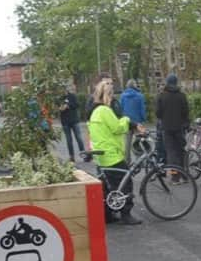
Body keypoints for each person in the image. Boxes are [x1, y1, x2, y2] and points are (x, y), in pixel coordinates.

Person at [88, 79, 144, 225]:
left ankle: (107, 215)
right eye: (111, 96)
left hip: (100, 153)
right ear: (108, 95)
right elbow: (117, 128)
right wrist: (126, 120)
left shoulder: (93, 111)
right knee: (126, 182)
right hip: (111, 153)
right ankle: (126, 214)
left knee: (107, 186)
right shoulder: (104, 110)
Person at [156, 74, 189, 179]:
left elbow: (158, 113)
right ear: (176, 82)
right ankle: (184, 175)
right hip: (179, 127)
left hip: (166, 128)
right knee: (180, 150)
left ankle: (175, 177)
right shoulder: (182, 96)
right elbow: (186, 112)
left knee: (171, 152)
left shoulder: (161, 96)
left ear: (167, 82)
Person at [120, 79, 146, 163]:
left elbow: (121, 108)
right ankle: (138, 160)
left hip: (126, 122)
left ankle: (127, 160)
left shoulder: (123, 96)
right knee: (137, 141)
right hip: (137, 121)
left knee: (127, 142)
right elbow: (142, 109)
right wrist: (143, 119)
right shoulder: (140, 96)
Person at [59, 83, 85, 162]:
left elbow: (77, 105)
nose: (62, 91)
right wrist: (61, 108)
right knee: (68, 140)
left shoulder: (72, 96)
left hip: (74, 120)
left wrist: (68, 106)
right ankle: (71, 156)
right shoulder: (59, 98)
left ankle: (83, 154)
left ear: (66, 89)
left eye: (64, 89)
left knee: (79, 138)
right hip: (65, 121)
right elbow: (58, 108)